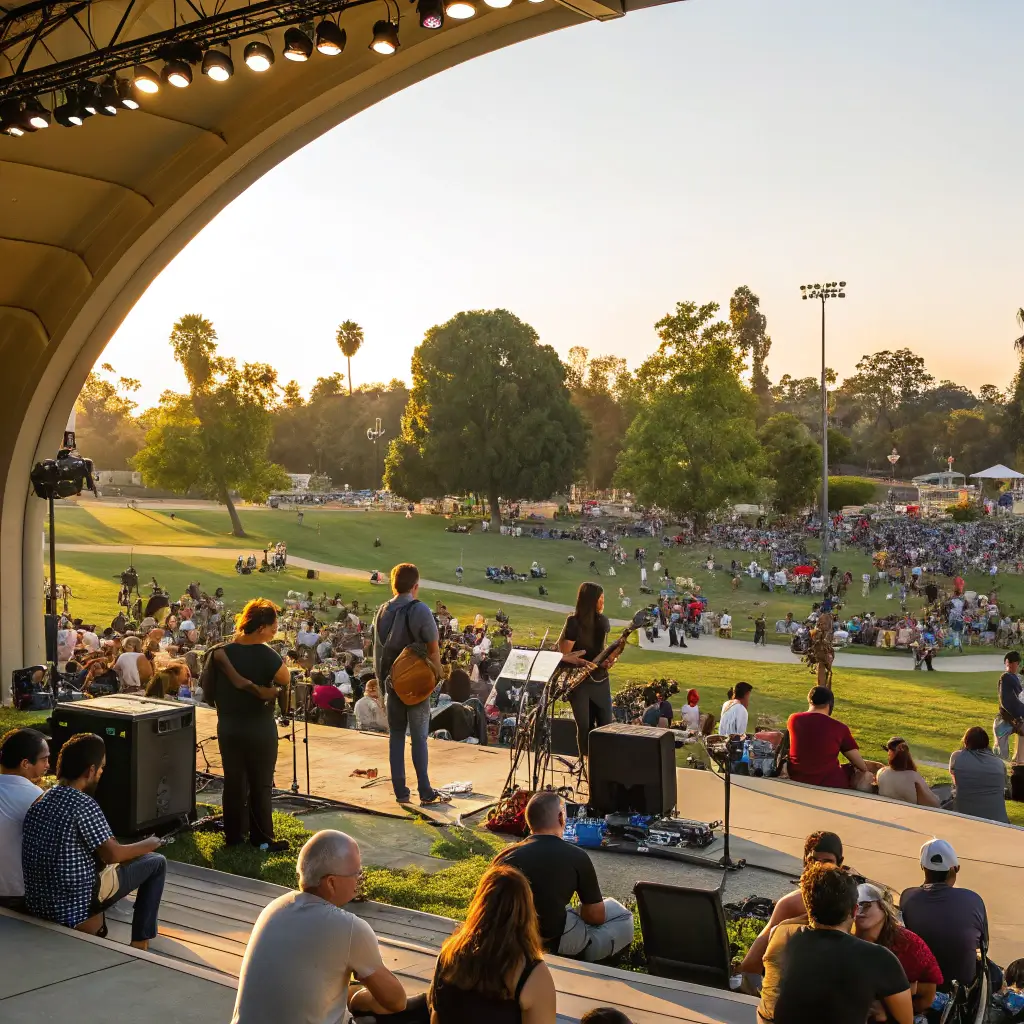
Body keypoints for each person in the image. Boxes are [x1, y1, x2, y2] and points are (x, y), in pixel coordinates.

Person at [232, 830, 413, 1024]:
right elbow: (396, 1001)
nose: (359, 880)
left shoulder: (274, 908)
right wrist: (360, 999)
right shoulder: (350, 928)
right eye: (356, 874)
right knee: (416, 1011)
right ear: (331, 883)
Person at [22, 732, 166, 949]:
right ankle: (140, 945)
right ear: (90, 770)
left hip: (38, 904)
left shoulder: (41, 799)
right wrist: (150, 844)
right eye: (101, 768)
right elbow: (112, 855)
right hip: (73, 909)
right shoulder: (83, 804)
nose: (100, 772)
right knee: (156, 862)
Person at [757, 863, 912, 1024]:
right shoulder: (879, 957)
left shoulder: (788, 940)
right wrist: (882, 1015)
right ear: (854, 911)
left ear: (809, 909)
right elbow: (907, 1021)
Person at [495, 791, 634, 962]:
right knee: (623, 917)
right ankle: (594, 957)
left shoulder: (505, 856)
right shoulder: (576, 856)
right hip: (551, 940)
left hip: (510, 937)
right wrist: (579, 912)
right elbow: (595, 916)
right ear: (561, 818)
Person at [209, 598, 292, 852]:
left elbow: (209, 692)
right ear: (260, 628)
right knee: (261, 783)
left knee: (234, 781)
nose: (275, 631)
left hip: (229, 727)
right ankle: (262, 838)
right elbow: (285, 680)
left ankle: (233, 835)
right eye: (273, 626)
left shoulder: (219, 651)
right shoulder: (268, 656)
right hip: (259, 728)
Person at [429, 863, 556, 1023]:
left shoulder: (449, 955)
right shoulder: (531, 973)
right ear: (526, 911)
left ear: (479, 905)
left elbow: (436, 1017)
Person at [372, 563, 449, 806]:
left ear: (392, 584)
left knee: (396, 736)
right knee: (419, 737)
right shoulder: (420, 610)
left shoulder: (381, 611)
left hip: (391, 683)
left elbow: (376, 653)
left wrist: (383, 687)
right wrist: (437, 676)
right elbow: (433, 650)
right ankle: (425, 790)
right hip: (416, 685)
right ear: (415, 586)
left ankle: (400, 792)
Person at [739, 830, 847, 977]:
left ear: (839, 864)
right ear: (805, 862)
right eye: (814, 861)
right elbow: (751, 964)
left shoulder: (851, 899)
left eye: (827, 862)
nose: (819, 868)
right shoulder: (792, 903)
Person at [900, 839, 993, 993]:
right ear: (956, 868)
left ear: (922, 867)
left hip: (918, 988)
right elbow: (983, 945)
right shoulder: (973, 899)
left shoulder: (907, 897)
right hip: (961, 989)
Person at [853, 882, 942, 1015]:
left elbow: (927, 995)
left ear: (884, 907)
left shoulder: (909, 944)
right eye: (855, 906)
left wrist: (891, 1012)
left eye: (866, 905)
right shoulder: (844, 939)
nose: (859, 911)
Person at [557, 583, 621, 761]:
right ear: (590, 601)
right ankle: (585, 763)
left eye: (603, 599)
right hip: (579, 682)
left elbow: (602, 649)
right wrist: (574, 658)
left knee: (605, 723)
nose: (602, 603)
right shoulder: (574, 623)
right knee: (584, 725)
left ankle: (604, 762)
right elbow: (563, 652)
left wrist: (610, 659)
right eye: (599, 599)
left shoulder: (603, 621)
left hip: (600, 678)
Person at [786, 686, 879, 789]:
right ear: (830, 704)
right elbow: (860, 764)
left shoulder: (793, 719)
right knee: (863, 769)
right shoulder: (839, 728)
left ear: (809, 700)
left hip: (796, 776)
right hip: (829, 781)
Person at [0, 728, 49, 908]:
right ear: (25, 763)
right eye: (44, 759)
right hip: (18, 895)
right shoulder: (37, 797)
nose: (48, 765)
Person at [949, 726, 1008, 822]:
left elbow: (956, 782)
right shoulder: (999, 764)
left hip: (964, 815)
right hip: (998, 820)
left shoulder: (957, 757)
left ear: (966, 741)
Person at [876, 737, 940, 806]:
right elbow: (935, 803)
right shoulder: (913, 776)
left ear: (889, 754)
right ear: (907, 754)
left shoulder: (881, 772)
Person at [994, 651, 1024, 762]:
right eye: (1010, 662)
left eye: (1015, 663)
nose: (1014, 665)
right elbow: (1006, 702)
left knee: (1013, 756)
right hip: (1004, 720)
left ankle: (1018, 763)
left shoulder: (1013, 677)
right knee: (1001, 756)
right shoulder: (1006, 677)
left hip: (1013, 719)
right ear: (1008, 663)